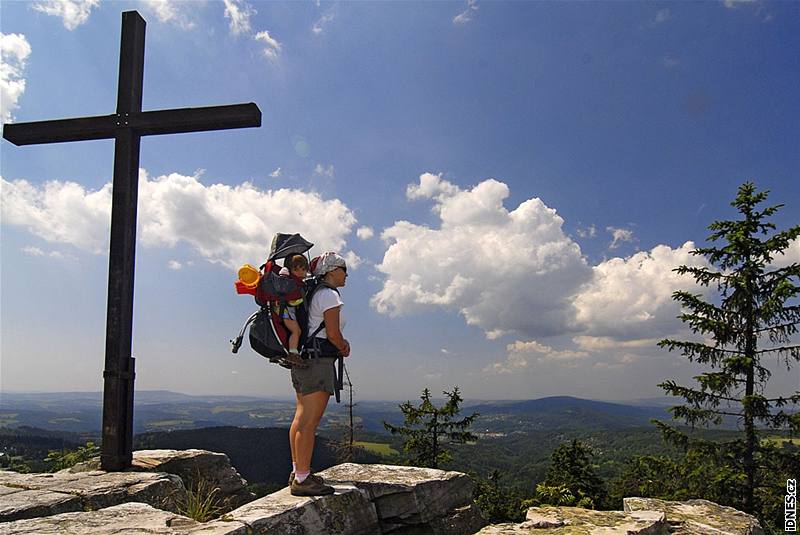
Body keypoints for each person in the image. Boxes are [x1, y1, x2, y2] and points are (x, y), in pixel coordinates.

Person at [288, 252, 350, 496]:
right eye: (344, 269)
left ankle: (298, 471)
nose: (346, 275)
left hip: (303, 360)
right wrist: (344, 347)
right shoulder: (329, 295)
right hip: (319, 362)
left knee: (300, 418)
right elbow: (333, 334)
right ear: (332, 270)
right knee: (309, 422)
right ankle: (302, 480)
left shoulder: (313, 293)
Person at [279, 254, 310, 369]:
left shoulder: (294, 282)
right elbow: (292, 302)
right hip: (287, 311)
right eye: (296, 269)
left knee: (296, 331)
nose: (300, 272)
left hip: (286, 311)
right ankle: (292, 354)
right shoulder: (290, 282)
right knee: (296, 331)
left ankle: (292, 352)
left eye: (303, 269)